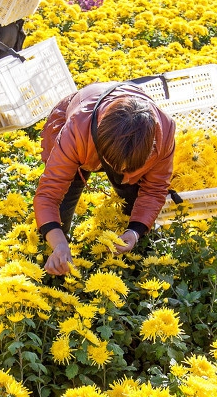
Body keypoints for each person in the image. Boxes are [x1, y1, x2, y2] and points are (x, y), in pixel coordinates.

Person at [35, 83, 176, 276]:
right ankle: (54, 261)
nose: (121, 172)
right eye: (113, 164)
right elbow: (48, 195)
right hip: (85, 122)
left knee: (134, 200)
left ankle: (136, 250)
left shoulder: (164, 133)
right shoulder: (76, 129)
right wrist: (59, 244)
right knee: (58, 216)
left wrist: (135, 231)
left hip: (122, 138)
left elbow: (154, 189)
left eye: (130, 168)